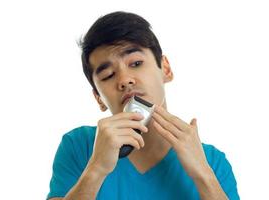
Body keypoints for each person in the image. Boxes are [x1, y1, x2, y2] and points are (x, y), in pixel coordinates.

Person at [47, 11, 240, 200]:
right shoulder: (79, 146)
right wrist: (96, 169)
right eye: (108, 75)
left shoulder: (213, 162)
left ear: (165, 69)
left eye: (136, 63)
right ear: (98, 98)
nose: (124, 80)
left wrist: (204, 177)